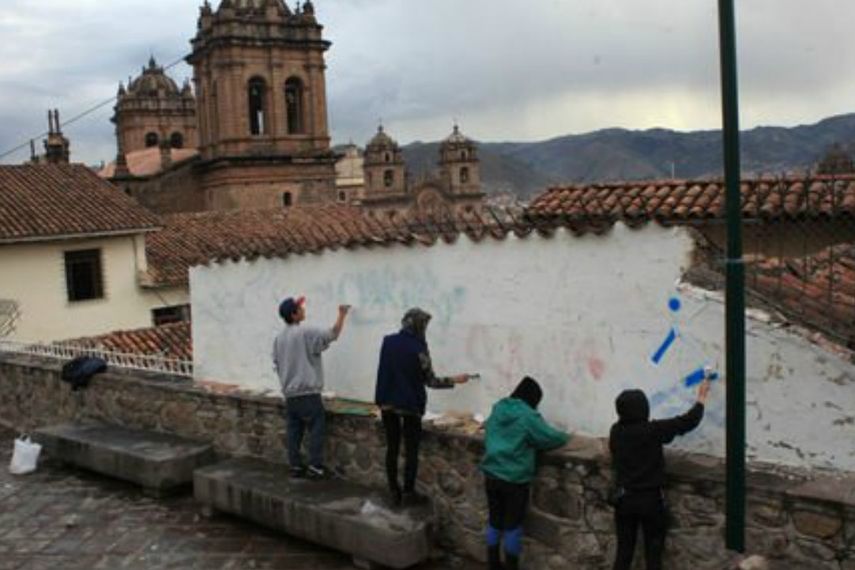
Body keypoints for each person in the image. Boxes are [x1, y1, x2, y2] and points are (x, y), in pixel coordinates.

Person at [609, 379, 712, 570]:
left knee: (623, 554)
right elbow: (688, 421)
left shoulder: (616, 432)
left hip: (624, 500)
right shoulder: (653, 431)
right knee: (653, 556)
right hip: (650, 501)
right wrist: (702, 396)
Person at [375, 307, 470, 506]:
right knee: (411, 451)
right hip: (409, 405)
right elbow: (431, 381)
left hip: (387, 402)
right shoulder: (419, 348)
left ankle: (393, 491)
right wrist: (455, 380)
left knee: (392, 448)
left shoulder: (388, 341)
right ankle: (408, 493)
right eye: (424, 325)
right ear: (419, 326)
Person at [480, 376, 569, 570]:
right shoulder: (528, 415)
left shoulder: (498, 408)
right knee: (512, 526)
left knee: (494, 521)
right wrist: (566, 436)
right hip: (514, 479)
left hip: (491, 474)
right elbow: (550, 438)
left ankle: (493, 564)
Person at [273, 296, 350, 479]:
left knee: (294, 430)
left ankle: (295, 466)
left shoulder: (279, 338)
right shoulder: (305, 332)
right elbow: (332, 334)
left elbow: (276, 363)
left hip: (290, 394)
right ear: (294, 314)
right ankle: (315, 466)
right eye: (300, 308)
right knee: (316, 427)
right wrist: (342, 314)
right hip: (308, 392)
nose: (304, 310)